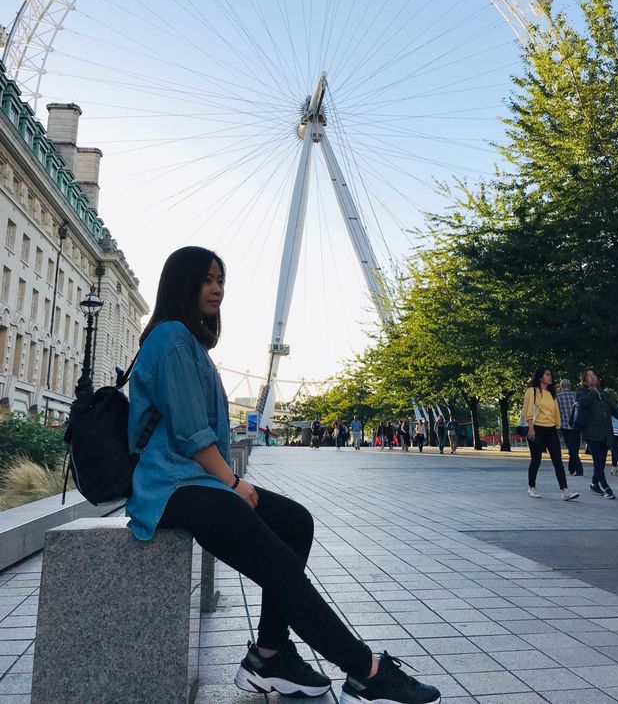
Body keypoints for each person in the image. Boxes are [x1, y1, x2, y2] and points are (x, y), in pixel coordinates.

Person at [127, 247, 441, 704]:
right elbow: (192, 434)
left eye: (221, 280)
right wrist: (235, 485)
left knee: (295, 522)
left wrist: (231, 485)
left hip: (196, 481)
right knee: (277, 563)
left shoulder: (187, 342)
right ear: (183, 283)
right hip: (170, 488)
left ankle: (269, 654)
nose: (217, 288)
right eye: (207, 279)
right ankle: (366, 669)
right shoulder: (172, 338)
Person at [521, 366, 579, 501]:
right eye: (547, 375)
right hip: (536, 428)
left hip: (551, 429)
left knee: (558, 461)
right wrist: (530, 428)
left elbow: (556, 412)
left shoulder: (551, 394)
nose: (550, 377)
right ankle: (531, 487)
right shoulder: (532, 391)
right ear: (540, 377)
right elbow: (527, 409)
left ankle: (565, 490)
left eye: (550, 375)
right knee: (536, 459)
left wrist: (558, 427)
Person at [575, 370, 618, 500]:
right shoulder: (582, 392)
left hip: (605, 433)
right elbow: (583, 402)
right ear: (585, 380)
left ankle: (594, 483)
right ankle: (606, 487)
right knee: (598, 460)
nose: (593, 377)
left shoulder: (603, 394)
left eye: (594, 375)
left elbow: (613, 408)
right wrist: (593, 392)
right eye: (589, 376)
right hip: (591, 433)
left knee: (601, 461)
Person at [557, 378, 583, 476]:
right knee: (575, 448)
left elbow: (557, 412)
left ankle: (579, 469)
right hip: (577, 424)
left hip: (565, 425)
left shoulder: (558, 397)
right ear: (570, 386)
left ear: (561, 387)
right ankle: (572, 468)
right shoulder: (576, 395)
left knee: (571, 448)